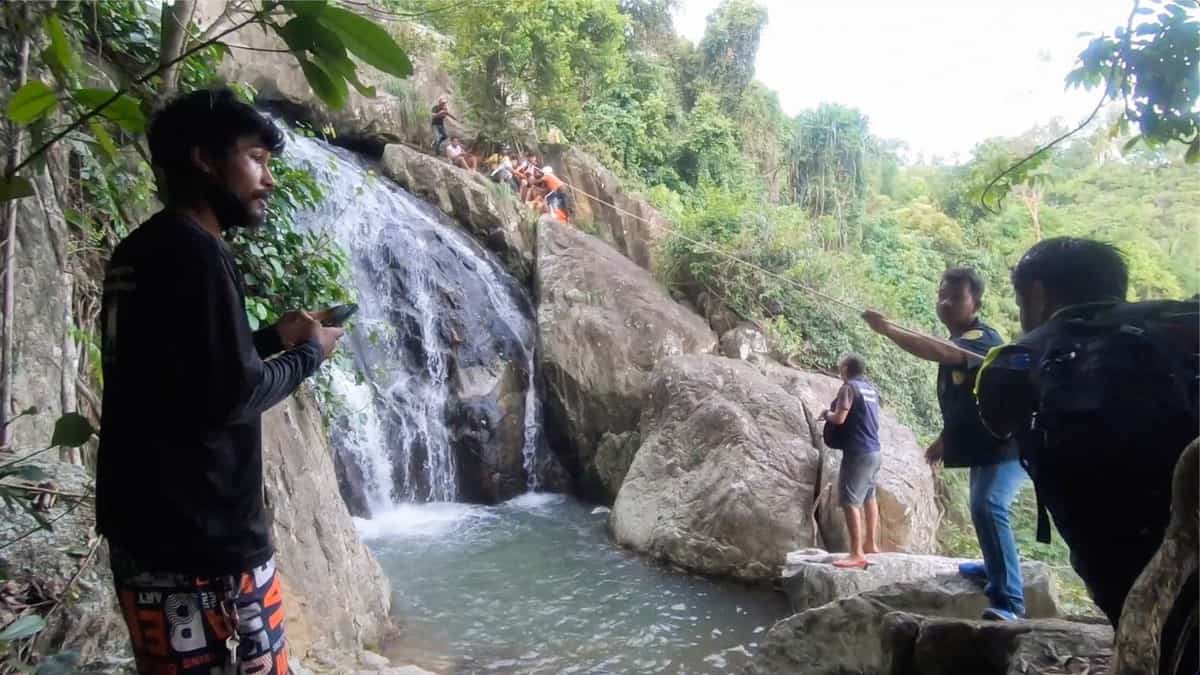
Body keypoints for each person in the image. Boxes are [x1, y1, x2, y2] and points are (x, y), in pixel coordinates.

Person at [96, 88, 344, 675]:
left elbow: (180, 378)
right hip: (204, 548)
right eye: (257, 158)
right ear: (206, 159)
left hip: (149, 534)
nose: (269, 180)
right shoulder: (198, 254)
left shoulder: (142, 249)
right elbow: (233, 395)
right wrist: (309, 354)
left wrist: (266, 340)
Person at [975, 237, 1197, 674]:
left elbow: (995, 423)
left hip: (1120, 556)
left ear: (1036, 294)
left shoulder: (1011, 360)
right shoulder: (1181, 322)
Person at [863, 268, 1026, 621]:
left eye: (956, 297)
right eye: (943, 295)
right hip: (987, 443)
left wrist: (888, 329)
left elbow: (940, 351)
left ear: (976, 303)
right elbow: (967, 402)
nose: (946, 303)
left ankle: (1009, 600)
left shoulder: (981, 338)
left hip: (1010, 444)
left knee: (989, 506)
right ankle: (994, 566)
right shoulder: (963, 339)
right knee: (981, 505)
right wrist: (944, 438)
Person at [819, 354, 883, 569]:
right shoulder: (871, 390)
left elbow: (839, 418)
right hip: (874, 451)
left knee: (849, 500)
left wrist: (826, 414)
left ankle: (856, 553)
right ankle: (871, 544)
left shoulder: (849, 388)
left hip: (857, 452)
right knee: (869, 497)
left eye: (841, 367)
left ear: (846, 368)